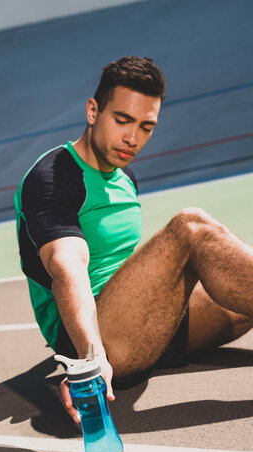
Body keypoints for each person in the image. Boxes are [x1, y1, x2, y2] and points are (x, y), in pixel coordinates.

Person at [13, 56, 253, 424]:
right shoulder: (52, 177)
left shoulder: (126, 179)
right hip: (98, 339)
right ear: (94, 111)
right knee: (191, 227)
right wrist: (88, 358)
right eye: (122, 120)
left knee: (238, 288)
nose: (132, 138)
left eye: (146, 127)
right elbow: (68, 267)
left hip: (144, 327)